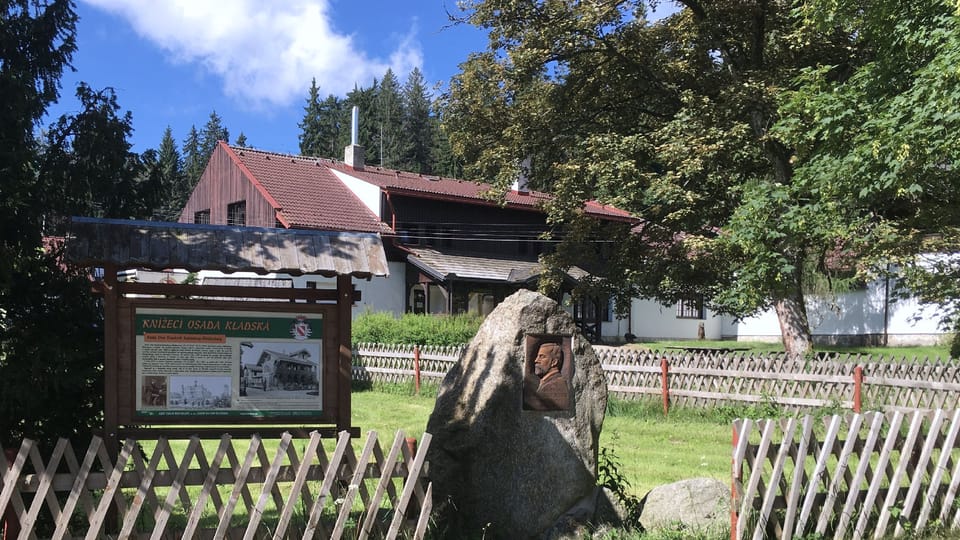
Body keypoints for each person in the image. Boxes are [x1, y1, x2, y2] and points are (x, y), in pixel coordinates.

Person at [523, 342, 570, 410]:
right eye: (537, 356)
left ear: (554, 362)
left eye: (542, 357)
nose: (536, 360)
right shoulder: (546, 382)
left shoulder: (557, 385)